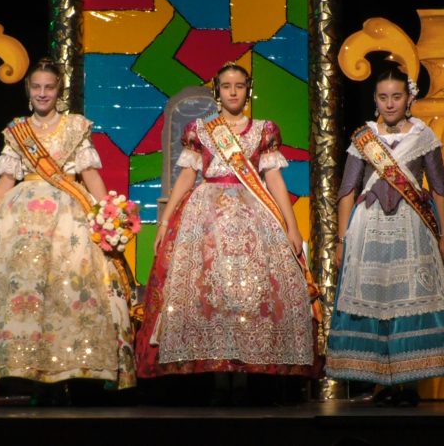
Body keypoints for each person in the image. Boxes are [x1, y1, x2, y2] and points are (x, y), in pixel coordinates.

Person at [0, 58, 136, 403]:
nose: (43, 93)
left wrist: (107, 213)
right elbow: (6, 179)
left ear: (58, 90)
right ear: (28, 90)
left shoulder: (75, 126)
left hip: (67, 220)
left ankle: (63, 378)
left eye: (49, 87)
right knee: (27, 296)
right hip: (21, 221)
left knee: (66, 294)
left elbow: (90, 175)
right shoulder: (18, 130)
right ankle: (34, 378)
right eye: (37, 87)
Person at [135, 63, 319, 404]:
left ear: (248, 89)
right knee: (211, 295)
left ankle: (248, 378)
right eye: (226, 86)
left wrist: (292, 226)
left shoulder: (263, 130)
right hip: (207, 219)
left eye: (239, 86)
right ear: (217, 91)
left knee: (252, 295)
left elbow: (273, 179)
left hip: (254, 217)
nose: (233, 92)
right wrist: (164, 222)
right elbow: (187, 176)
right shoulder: (200, 130)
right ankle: (217, 379)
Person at [327, 68, 444, 407]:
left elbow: (439, 189)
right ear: (375, 99)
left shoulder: (423, 136)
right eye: (383, 97)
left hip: (413, 228)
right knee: (376, 300)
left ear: (409, 98)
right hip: (369, 230)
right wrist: (341, 240)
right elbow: (347, 191)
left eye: (396, 96)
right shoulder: (364, 138)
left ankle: (409, 383)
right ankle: (381, 381)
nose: (390, 103)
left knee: (410, 301)